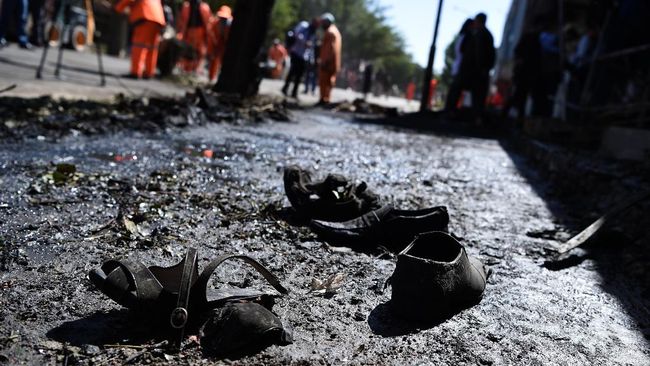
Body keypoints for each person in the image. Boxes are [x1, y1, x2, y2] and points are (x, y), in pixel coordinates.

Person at [115, 0, 166, 79]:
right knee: (152, 48)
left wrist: (118, 9)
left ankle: (135, 72)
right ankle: (149, 72)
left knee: (139, 45)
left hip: (145, 16)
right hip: (158, 19)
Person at [282, 18, 318, 98]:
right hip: (295, 52)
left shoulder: (313, 32)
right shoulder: (303, 25)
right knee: (292, 72)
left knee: (299, 74)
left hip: (303, 56)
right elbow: (296, 33)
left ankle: (294, 92)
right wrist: (304, 42)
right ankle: (285, 88)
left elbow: (312, 45)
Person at [444, 18, 474, 112]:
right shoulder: (467, 36)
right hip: (461, 67)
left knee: (454, 90)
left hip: (457, 66)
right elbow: (463, 51)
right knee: (456, 91)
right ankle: (450, 111)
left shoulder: (461, 36)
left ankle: (449, 110)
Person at [177, 0, 212, 73]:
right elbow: (182, 21)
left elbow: (207, 24)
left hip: (197, 32)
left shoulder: (203, 7)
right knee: (189, 50)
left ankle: (191, 69)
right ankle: (186, 69)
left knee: (196, 51)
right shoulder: (188, 6)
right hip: (190, 32)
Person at [317, 12, 341, 104]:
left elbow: (331, 48)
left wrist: (325, 61)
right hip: (334, 63)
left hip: (328, 62)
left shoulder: (330, 32)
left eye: (323, 22)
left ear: (327, 22)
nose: (322, 24)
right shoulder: (336, 31)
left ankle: (323, 99)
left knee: (324, 81)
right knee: (329, 82)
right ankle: (326, 99)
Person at [207, 5, 232, 82]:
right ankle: (211, 79)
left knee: (224, 62)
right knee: (214, 60)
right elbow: (211, 34)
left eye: (225, 18)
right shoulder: (215, 23)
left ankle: (224, 80)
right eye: (222, 18)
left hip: (224, 45)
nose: (223, 20)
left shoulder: (231, 25)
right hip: (216, 44)